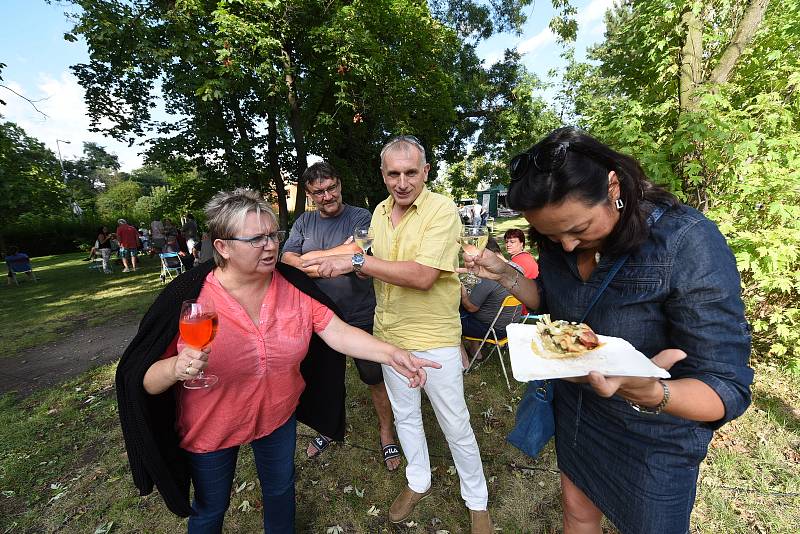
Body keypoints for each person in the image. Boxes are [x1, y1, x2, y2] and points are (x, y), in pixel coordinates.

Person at [463, 126, 753, 534]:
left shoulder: (686, 242)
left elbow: (727, 389)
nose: (565, 246)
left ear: (613, 185)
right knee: (578, 516)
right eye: (550, 235)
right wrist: (505, 275)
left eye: (578, 230)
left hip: (653, 437)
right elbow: (554, 305)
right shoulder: (559, 240)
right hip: (578, 413)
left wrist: (653, 393)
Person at [116, 188, 439, 533]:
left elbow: (338, 332)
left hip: (276, 416)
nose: (271, 246)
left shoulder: (293, 286)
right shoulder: (190, 296)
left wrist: (393, 353)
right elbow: (144, 379)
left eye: (274, 235)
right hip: (210, 424)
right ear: (222, 246)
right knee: (211, 507)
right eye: (256, 238)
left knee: (280, 491)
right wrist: (176, 368)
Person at [303, 136, 493, 533]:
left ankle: (477, 502)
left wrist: (356, 262)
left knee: (454, 423)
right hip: (388, 335)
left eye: (411, 172)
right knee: (406, 416)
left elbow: (422, 276)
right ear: (383, 175)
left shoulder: (441, 211)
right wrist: (322, 261)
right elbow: (360, 249)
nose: (402, 182)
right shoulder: (379, 211)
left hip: (433, 336)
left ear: (425, 172)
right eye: (394, 173)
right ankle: (417, 480)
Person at [281, 161, 403, 470]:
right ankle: (327, 428)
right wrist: (340, 252)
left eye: (331, 188)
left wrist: (309, 258)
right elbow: (286, 259)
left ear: (340, 185)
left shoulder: (361, 216)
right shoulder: (304, 223)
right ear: (309, 195)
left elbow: (358, 257)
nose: (327, 196)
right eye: (318, 192)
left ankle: (386, 432)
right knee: (325, 380)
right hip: (318, 317)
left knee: (373, 376)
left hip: (360, 314)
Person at [459, 237, 516, 364]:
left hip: (496, 330)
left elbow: (471, 307)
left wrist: (463, 293)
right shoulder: (515, 267)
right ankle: (475, 349)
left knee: (452, 320)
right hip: (513, 324)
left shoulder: (489, 276)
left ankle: (465, 361)